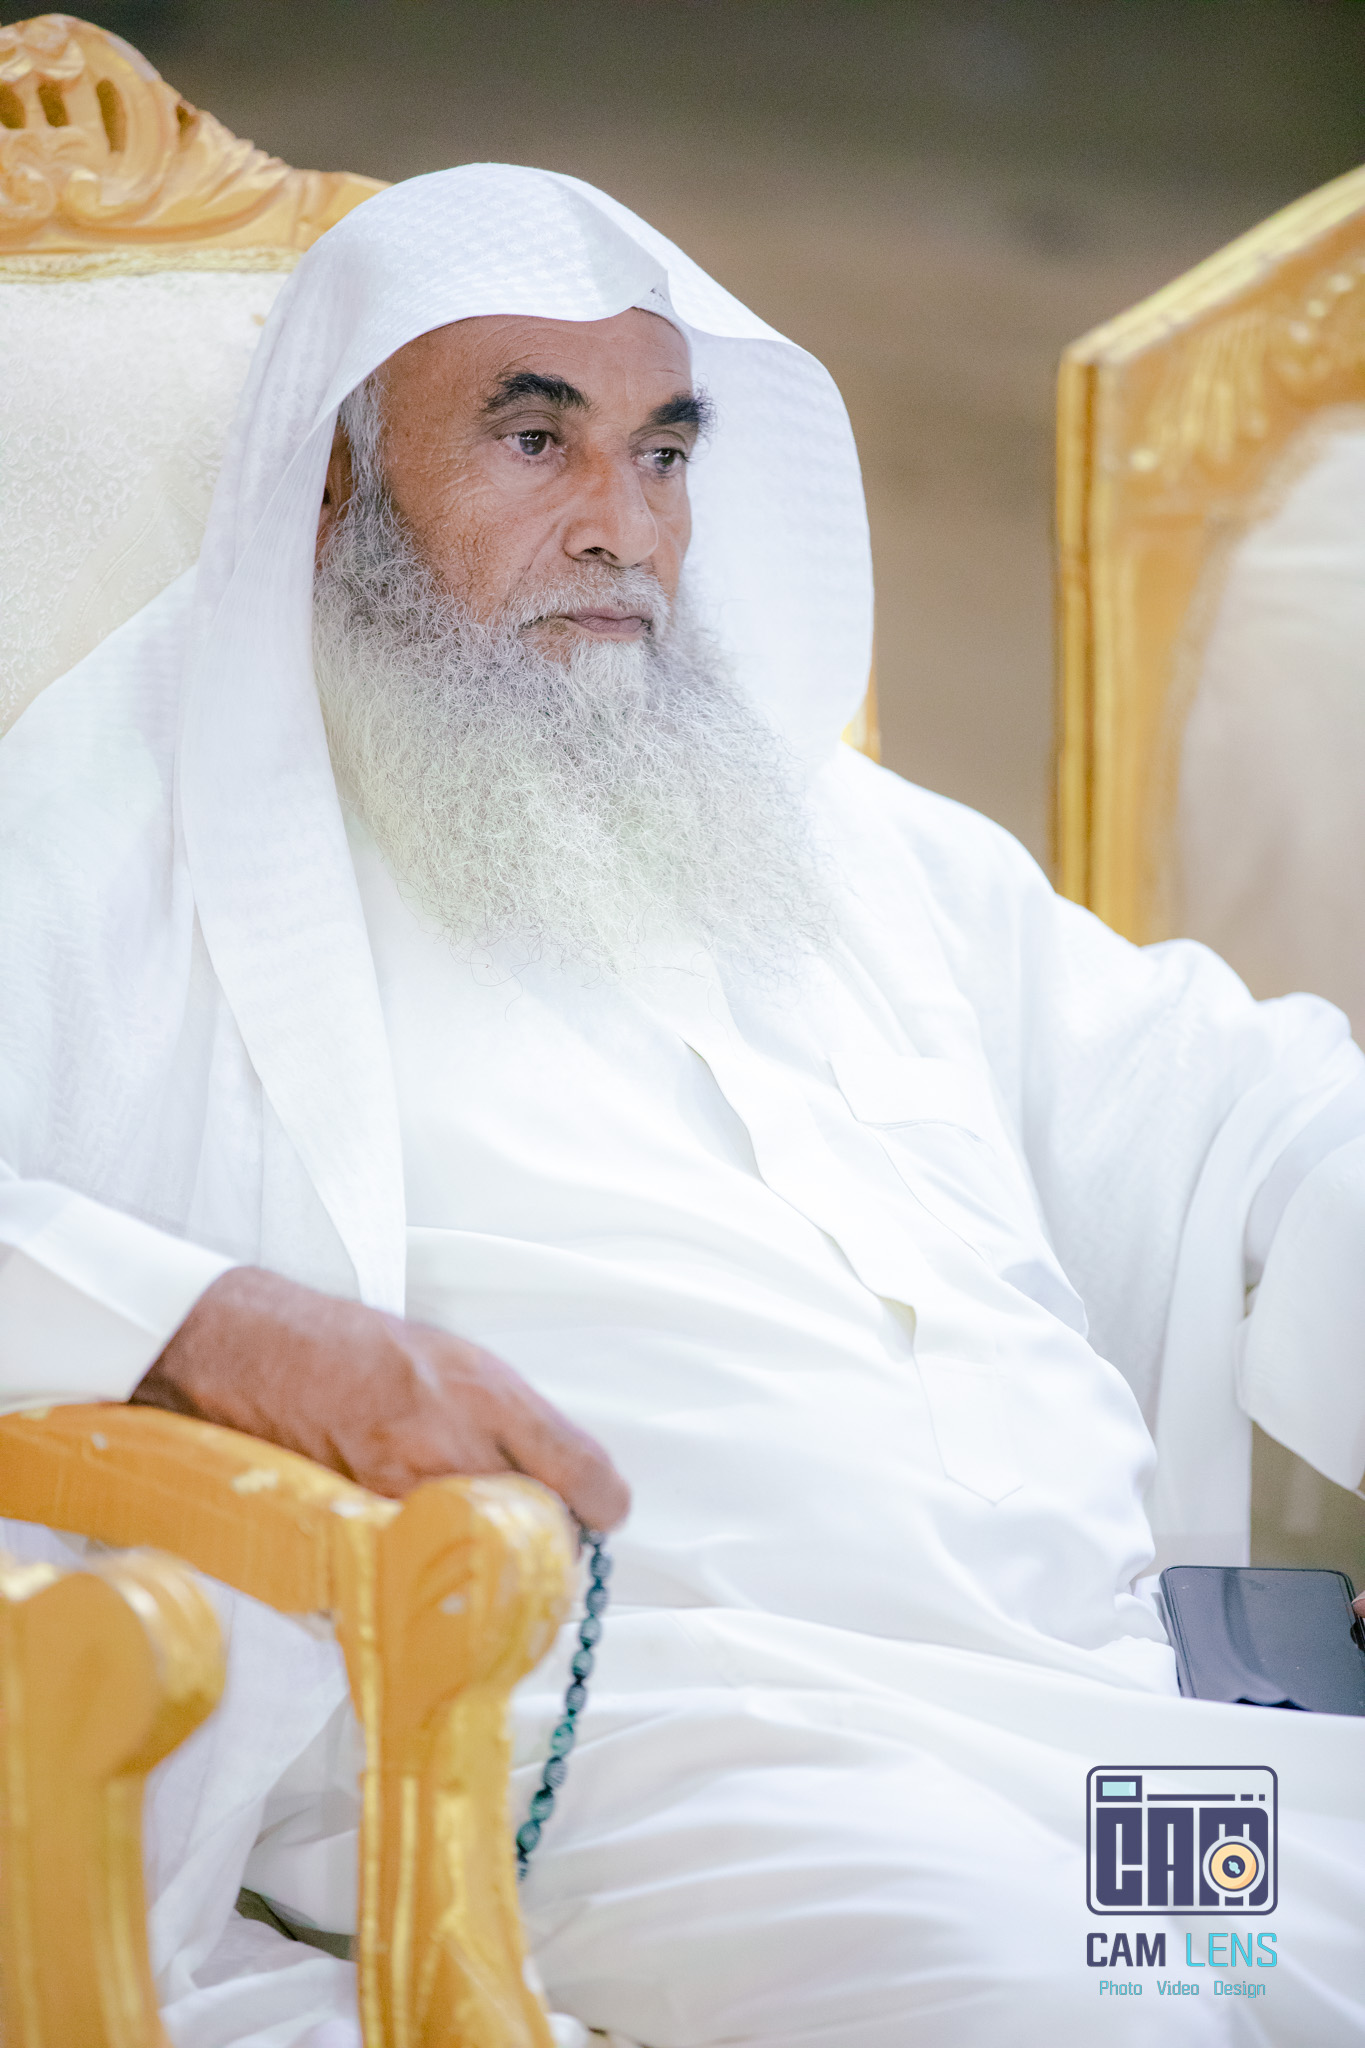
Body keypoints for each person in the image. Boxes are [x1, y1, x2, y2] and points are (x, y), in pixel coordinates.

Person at [2, 164, 1364, 2048]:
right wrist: (223, 1331)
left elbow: (1240, 1105)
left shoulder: (819, 831)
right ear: (331, 490)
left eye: (661, 454)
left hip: (1094, 1713)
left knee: (1240, 1962)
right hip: (654, 1739)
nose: (620, 527)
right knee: (1085, 2012)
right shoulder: (128, 838)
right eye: (534, 441)